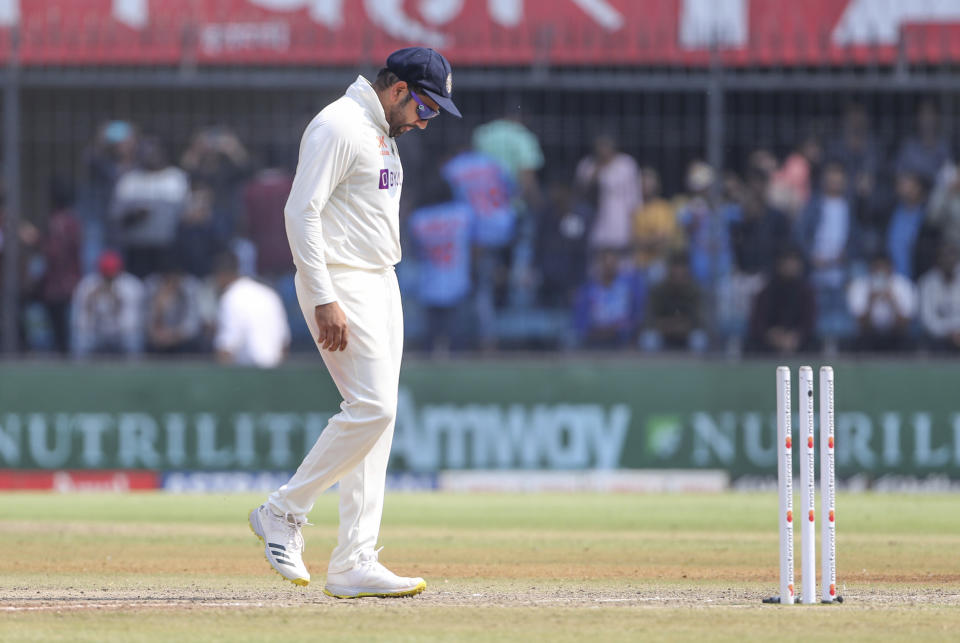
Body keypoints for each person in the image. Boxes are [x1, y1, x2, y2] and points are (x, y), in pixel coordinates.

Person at [248, 46, 461, 598]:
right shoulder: (340, 125)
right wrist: (323, 297)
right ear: (397, 91)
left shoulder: (382, 130)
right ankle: (283, 511)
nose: (426, 120)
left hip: (378, 280)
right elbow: (301, 211)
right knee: (373, 407)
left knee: (378, 422)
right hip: (340, 280)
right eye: (425, 108)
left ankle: (353, 560)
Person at [408, 182, 474, 354]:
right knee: (458, 341)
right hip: (457, 281)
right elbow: (475, 244)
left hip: (429, 282)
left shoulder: (419, 219)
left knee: (430, 341)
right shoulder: (462, 214)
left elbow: (414, 252)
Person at [109, 137, 189, 278]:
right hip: (136, 249)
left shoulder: (175, 178)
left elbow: (186, 215)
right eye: (146, 150)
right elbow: (115, 217)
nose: (150, 154)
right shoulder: (129, 180)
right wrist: (134, 215)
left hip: (167, 248)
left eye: (154, 150)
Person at [212, 251, 289, 367]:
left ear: (220, 275)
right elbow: (284, 344)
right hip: (275, 373)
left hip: (248, 375)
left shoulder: (230, 297)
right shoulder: (268, 293)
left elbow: (226, 348)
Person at [71, 250, 144, 357]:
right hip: (97, 333)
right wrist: (91, 303)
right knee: (82, 338)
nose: (109, 277)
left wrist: (117, 302)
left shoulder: (131, 286)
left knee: (132, 338)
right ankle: (80, 369)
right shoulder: (87, 285)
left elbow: (130, 325)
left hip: (120, 334)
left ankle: (133, 369)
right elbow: (81, 322)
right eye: (106, 273)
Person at [574, 134, 641, 252]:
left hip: (621, 226)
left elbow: (633, 198)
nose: (602, 150)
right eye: (599, 146)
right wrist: (597, 171)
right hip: (595, 226)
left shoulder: (626, 164)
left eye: (605, 145)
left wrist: (634, 229)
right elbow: (580, 195)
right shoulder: (587, 165)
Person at [747, 248, 817, 354]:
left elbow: (809, 322)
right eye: (787, 261)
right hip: (769, 343)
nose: (790, 266)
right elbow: (757, 322)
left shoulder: (806, 292)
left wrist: (796, 336)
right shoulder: (766, 291)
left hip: (799, 342)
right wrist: (772, 335)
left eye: (793, 261)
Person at [572, 249, 646, 349]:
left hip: (621, 337)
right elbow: (581, 320)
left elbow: (636, 316)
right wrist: (594, 330)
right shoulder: (587, 289)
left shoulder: (629, 288)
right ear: (598, 265)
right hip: (594, 336)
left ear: (617, 265)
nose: (609, 267)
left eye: (612, 263)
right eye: (605, 263)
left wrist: (623, 329)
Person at [847, 253, 916, 352]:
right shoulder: (859, 286)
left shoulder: (904, 286)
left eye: (884, 268)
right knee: (862, 341)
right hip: (869, 337)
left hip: (896, 337)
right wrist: (870, 302)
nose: (880, 273)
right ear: (870, 269)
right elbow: (862, 327)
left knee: (906, 341)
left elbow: (903, 326)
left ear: (891, 269)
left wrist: (892, 301)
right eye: (877, 268)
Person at [918, 244, 960, 351]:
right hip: (938, 340)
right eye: (945, 256)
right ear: (938, 259)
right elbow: (928, 321)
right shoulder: (926, 283)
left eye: (952, 256)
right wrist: (951, 333)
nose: (949, 260)